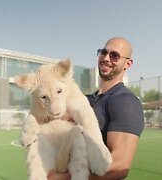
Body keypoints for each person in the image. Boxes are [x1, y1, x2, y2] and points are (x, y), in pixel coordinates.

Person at [48, 37, 144, 180]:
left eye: (114, 55)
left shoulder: (125, 101)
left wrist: (61, 178)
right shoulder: (86, 100)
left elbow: (119, 165)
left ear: (127, 64)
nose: (106, 58)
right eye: (103, 52)